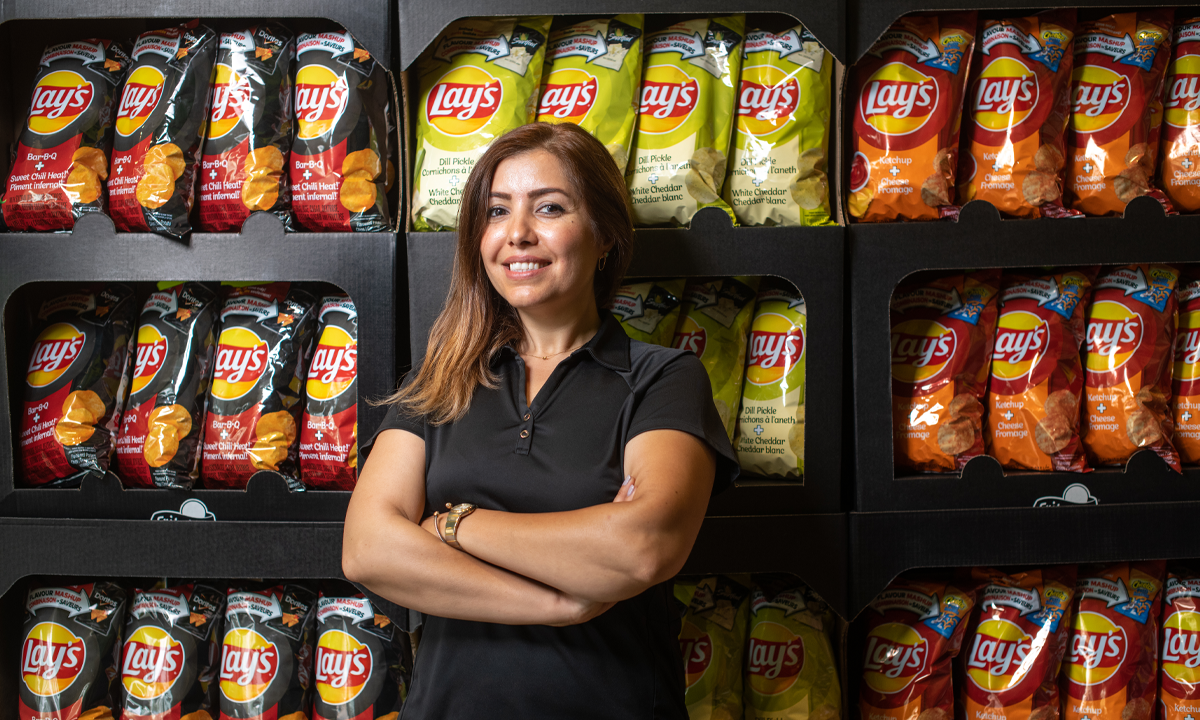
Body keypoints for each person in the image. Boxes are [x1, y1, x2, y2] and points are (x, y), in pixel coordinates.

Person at [343, 122, 738, 719]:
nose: (518, 234)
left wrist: (451, 525)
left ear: (604, 234)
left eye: (549, 208)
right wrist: (560, 603)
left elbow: (642, 548)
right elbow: (367, 550)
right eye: (497, 211)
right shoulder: (441, 381)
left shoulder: (661, 378)